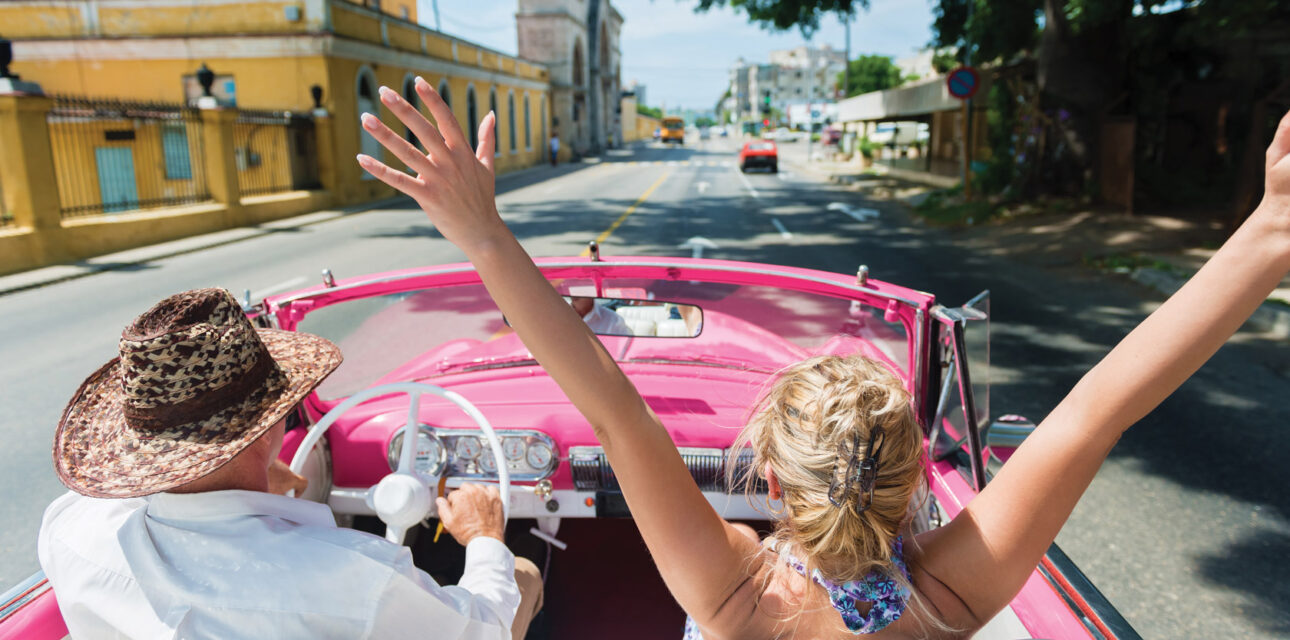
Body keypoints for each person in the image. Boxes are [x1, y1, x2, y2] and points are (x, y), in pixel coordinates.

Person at [356, 76, 1290, 638]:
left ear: (765, 471)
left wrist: (480, 229)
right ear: (915, 472)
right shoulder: (949, 595)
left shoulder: (735, 593)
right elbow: (1100, 407)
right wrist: (1267, 238)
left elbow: (609, 403)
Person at [38, 287, 543, 639]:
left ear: (140, 451)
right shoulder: (353, 575)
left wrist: (237, 477)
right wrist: (483, 538)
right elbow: (483, 630)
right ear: (274, 425)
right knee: (522, 574)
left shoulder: (69, 529)